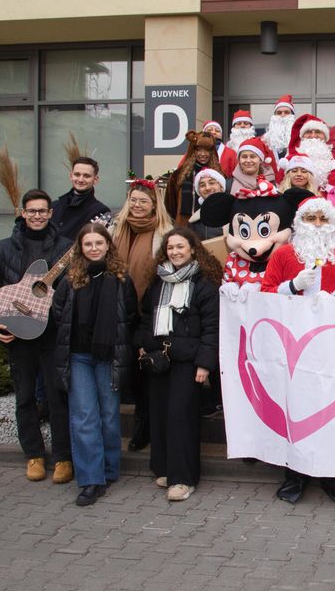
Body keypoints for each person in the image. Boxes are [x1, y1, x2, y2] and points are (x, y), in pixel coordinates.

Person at [261, 197, 335, 505]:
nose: (317, 224)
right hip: (292, 347)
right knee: (295, 408)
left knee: (330, 410)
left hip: (333, 347)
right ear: (300, 223)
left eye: (323, 219)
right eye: (310, 218)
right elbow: (266, 293)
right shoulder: (284, 255)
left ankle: (330, 473)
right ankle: (294, 475)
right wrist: (291, 286)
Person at [0, 189, 74, 484]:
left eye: (42, 211)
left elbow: (74, 290)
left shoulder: (66, 247)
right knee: (24, 396)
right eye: (31, 211)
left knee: (58, 396)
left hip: (52, 332)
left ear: (50, 213)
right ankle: (33, 454)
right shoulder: (3, 248)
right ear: (22, 213)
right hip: (17, 332)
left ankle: (63, 457)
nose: (37, 216)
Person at [52, 222, 138, 506]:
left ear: (107, 245)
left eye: (98, 243)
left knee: (110, 416)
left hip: (109, 356)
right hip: (78, 357)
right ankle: (91, 479)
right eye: (87, 244)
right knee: (85, 417)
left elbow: (131, 318)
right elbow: (59, 314)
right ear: (80, 248)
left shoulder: (122, 279)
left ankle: (110, 468)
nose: (93, 248)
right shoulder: (70, 278)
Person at [136, 229, 222, 502]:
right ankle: (163, 468)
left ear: (193, 249)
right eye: (170, 247)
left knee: (181, 419)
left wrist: (205, 364)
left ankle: (183, 479)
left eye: (180, 247)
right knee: (160, 414)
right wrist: (142, 343)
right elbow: (145, 316)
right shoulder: (157, 280)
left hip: (188, 360)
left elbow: (212, 327)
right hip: (159, 358)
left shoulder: (205, 284)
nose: (174, 252)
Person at [111, 178, 174, 452]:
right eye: (133, 200)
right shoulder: (115, 229)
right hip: (116, 309)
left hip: (148, 309)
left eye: (143, 202)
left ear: (153, 206)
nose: (137, 206)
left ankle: (143, 424)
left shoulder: (164, 232)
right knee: (125, 369)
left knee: (145, 370)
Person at [165, 131, 222, 226]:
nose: (203, 154)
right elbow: (170, 204)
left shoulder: (218, 175)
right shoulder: (179, 175)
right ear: (193, 150)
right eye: (199, 150)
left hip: (212, 228)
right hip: (183, 226)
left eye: (207, 150)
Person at [50, 157, 113, 241]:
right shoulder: (54, 206)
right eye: (77, 174)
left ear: (95, 179)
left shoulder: (101, 211)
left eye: (86, 176)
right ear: (71, 176)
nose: (80, 179)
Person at [187, 168, 226, 241]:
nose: (207, 188)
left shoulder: (236, 211)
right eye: (202, 185)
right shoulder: (194, 221)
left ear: (221, 186)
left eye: (211, 183)